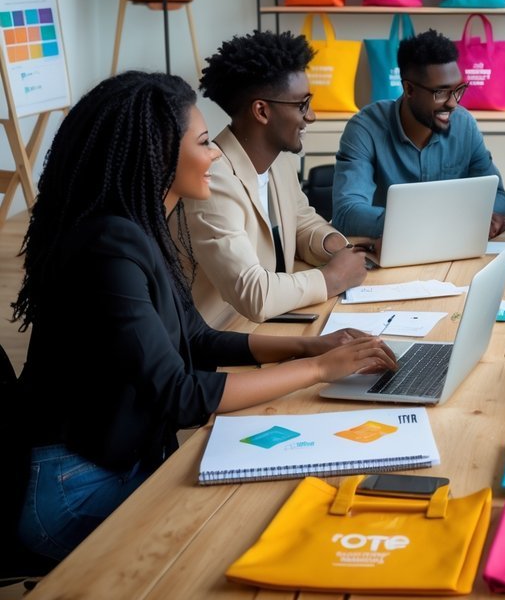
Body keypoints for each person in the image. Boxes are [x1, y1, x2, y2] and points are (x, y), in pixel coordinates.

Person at [13, 71, 396, 563]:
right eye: (202, 143)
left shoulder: (140, 226)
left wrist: (310, 346)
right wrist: (320, 371)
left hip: (117, 462)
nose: (215, 153)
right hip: (73, 488)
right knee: (240, 537)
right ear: (155, 154)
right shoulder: (108, 248)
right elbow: (179, 393)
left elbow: (194, 337)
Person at [182, 30, 371, 327]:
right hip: (222, 341)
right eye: (301, 104)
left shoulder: (278, 161)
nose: (311, 117)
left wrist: (336, 246)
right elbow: (253, 293)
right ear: (262, 111)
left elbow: (301, 220)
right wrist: (332, 277)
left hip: (268, 325)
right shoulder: (213, 182)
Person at [332, 28, 505, 239]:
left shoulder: (464, 125)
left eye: (458, 89)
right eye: (441, 92)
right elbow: (347, 214)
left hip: (453, 251)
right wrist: (430, 225)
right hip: (389, 254)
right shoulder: (365, 129)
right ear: (409, 90)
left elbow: (497, 196)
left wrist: (491, 217)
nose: (453, 103)